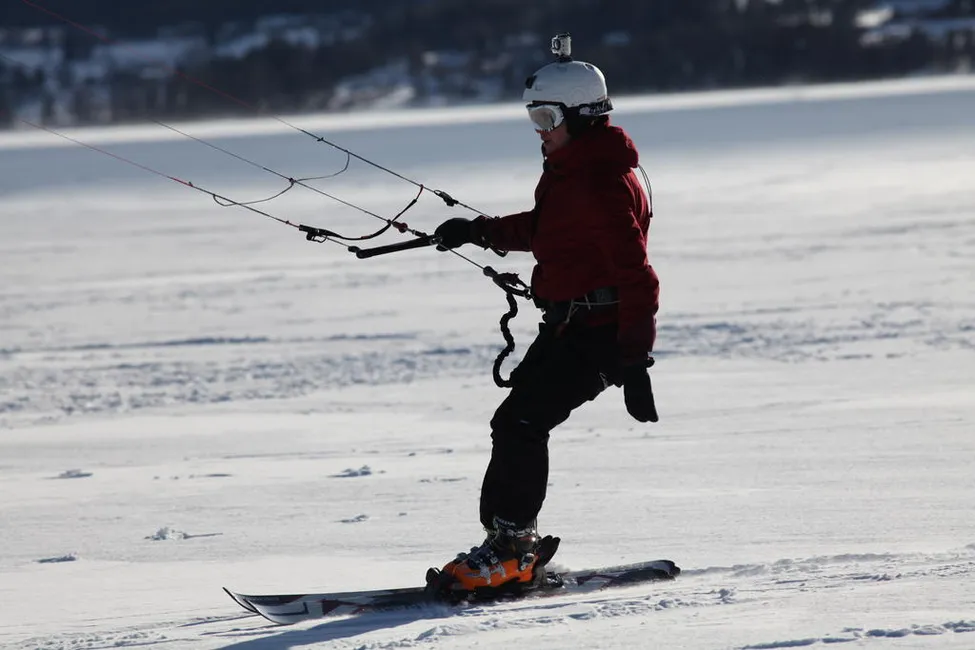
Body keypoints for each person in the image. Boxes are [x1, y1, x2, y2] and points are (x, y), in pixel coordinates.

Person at [430, 35, 660, 594]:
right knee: (512, 424)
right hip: (566, 328)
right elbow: (546, 229)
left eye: (546, 118)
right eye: (532, 117)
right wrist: (478, 231)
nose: (538, 129)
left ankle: (513, 549)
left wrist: (634, 363)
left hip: (598, 336)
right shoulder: (572, 169)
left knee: (523, 424)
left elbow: (639, 277)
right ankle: (510, 541)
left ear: (581, 116)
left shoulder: (601, 181)